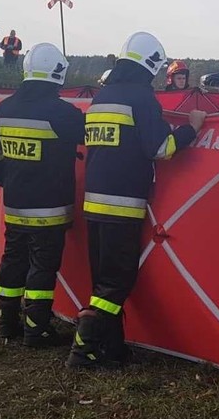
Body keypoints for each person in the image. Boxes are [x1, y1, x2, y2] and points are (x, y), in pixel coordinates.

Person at [66, 32, 206, 369]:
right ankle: (82, 348)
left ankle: (113, 350)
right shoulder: (142, 99)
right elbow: (161, 149)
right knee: (117, 281)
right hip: (122, 204)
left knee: (103, 281)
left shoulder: (102, 97)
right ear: (150, 67)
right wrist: (191, 129)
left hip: (94, 203)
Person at [0, 43, 85, 347]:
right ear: (58, 74)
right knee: (42, 267)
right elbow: (91, 137)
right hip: (50, 208)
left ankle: (7, 323)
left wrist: (7, 178)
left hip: (16, 205)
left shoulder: (4, 108)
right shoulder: (63, 113)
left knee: (13, 261)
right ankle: (37, 330)